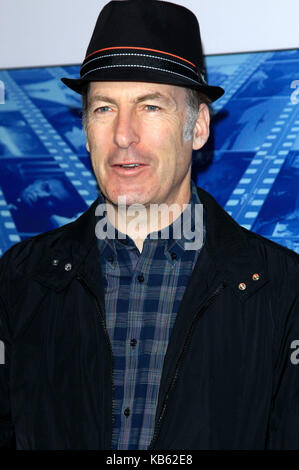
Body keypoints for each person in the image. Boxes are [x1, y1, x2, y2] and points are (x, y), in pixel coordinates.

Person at [0, 0, 298, 451]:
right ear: (85, 129)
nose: (123, 135)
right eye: (103, 108)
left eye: (151, 107)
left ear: (197, 127)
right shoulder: (19, 279)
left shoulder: (282, 288)